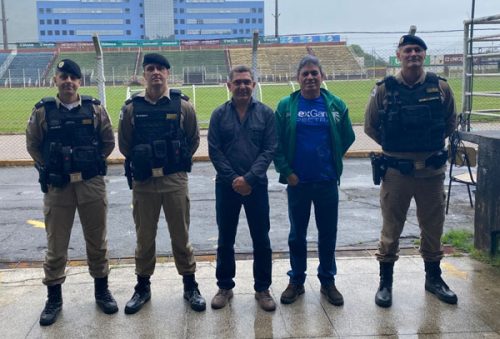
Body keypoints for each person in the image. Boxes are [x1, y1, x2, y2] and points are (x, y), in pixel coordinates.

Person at [364, 34, 458, 308]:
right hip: (397, 172)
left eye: (418, 50)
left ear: (424, 55)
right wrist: (395, 148)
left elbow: (450, 121)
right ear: (399, 54)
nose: (413, 54)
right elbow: (370, 125)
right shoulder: (384, 88)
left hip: (431, 171)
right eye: (408, 50)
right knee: (391, 227)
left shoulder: (440, 86)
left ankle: (434, 279)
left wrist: (428, 146)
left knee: (433, 227)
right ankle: (385, 283)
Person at [26, 59, 118, 326]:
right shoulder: (43, 112)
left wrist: (89, 161)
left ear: (80, 82)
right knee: (56, 246)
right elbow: (32, 144)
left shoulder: (95, 109)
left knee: (97, 242)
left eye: (73, 77)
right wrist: (50, 166)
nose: (68, 81)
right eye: (63, 76)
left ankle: (102, 291)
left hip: (90, 184)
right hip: (58, 187)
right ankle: (54, 298)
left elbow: (108, 142)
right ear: (56, 80)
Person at [118, 53, 205, 314]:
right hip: (144, 182)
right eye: (150, 69)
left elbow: (193, 139)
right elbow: (125, 144)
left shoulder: (183, 106)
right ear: (144, 75)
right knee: (145, 237)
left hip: (173, 179)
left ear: (168, 73)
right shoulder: (132, 108)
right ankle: (142, 286)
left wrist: (174, 161)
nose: (156, 73)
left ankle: (190, 285)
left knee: (181, 235)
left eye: (160, 69)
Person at [274, 55, 355, 306]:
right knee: (297, 235)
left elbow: (347, 137)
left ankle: (327, 281)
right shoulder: (287, 106)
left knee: (327, 233)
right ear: (298, 79)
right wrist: (287, 172)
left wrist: (332, 161)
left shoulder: (335, 104)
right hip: (298, 183)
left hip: (327, 182)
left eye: (314, 73)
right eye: (305, 74)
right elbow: (275, 144)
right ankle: (296, 280)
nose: (310, 77)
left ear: (322, 76)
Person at [208, 65, 277, 312]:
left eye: (247, 82)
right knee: (225, 238)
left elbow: (269, 149)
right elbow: (214, 151)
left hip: (256, 186)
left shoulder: (266, 114)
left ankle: (263, 288)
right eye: (237, 82)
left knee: (261, 239)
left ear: (254, 85)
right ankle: (225, 286)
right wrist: (234, 180)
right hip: (226, 187)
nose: (242, 86)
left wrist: (249, 178)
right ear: (229, 86)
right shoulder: (218, 115)